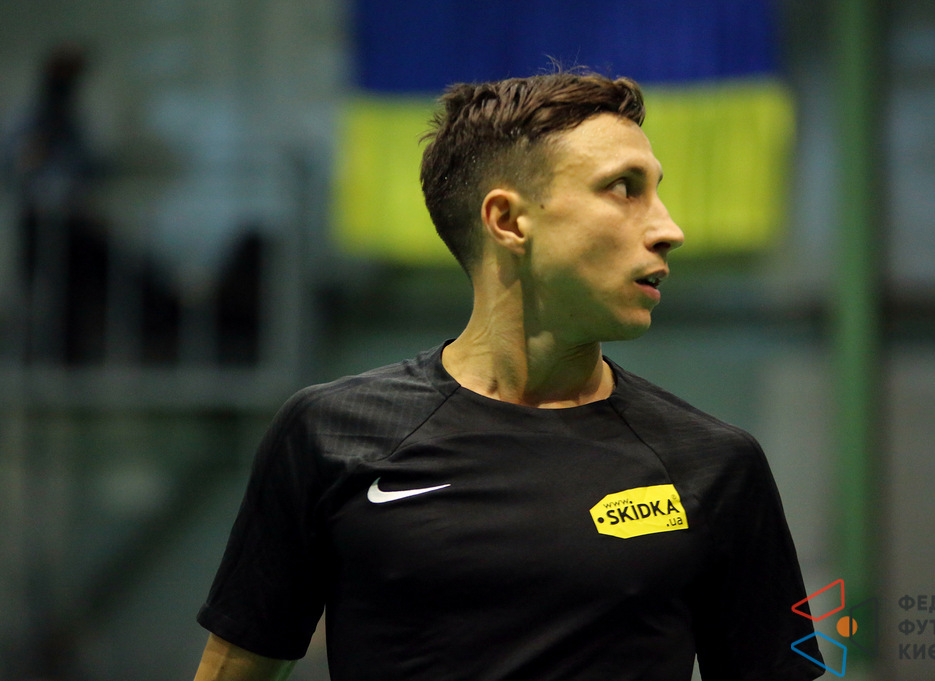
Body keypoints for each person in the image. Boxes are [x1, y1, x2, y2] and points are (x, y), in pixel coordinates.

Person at [193, 70, 824, 680]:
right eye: (623, 188)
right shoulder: (327, 433)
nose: (669, 229)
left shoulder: (716, 464)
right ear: (508, 221)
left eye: (657, 190)